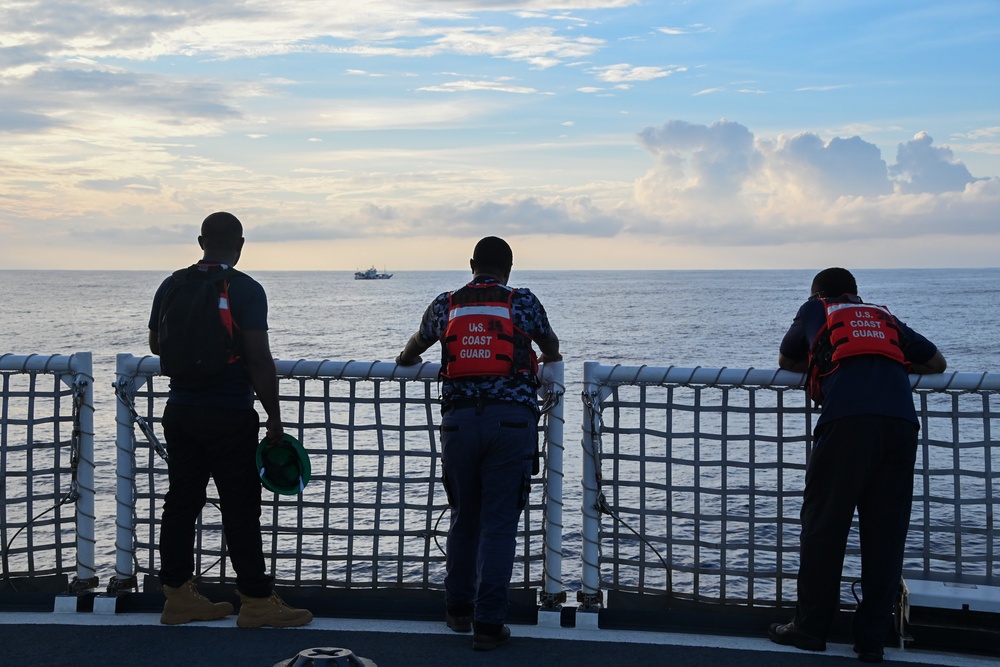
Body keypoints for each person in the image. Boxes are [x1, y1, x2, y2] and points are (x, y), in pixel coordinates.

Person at [769, 267, 946, 663]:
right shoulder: (883, 317)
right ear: (856, 294)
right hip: (901, 424)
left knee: (824, 528)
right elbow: (937, 362)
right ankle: (871, 640)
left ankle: (811, 629)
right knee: (885, 535)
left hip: (847, 422)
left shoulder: (816, 309)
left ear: (818, 294)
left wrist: (824, 364)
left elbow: (785, 358)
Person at [395, 236, 561, 651]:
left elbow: (414, 347)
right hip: (511, 424)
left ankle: (457, 612)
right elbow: (551, 347)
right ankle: (489, 624)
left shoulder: (446, 303)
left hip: (459, 424)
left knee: (464, 516)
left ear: (471, 264)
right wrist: (548, 368)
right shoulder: (522, 302)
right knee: (499, 524)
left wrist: (407, 359)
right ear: (509, 267)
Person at [148, 211, 312, 628]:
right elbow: (258, 357)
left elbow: (155, 343)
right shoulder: (246, 289)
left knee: (182, 503)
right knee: (240, 507)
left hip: (180, 410)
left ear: (201, 241)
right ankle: (256, 601)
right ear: (241, 245)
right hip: (229, 413)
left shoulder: (172, 284)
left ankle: (178, 597)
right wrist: (274, 419)